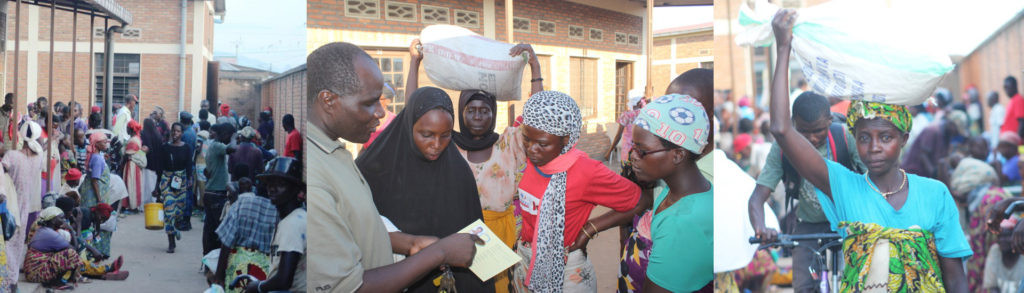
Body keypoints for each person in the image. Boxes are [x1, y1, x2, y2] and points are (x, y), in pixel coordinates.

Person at [769, 10, 970, 291]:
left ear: (904, 138)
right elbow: (781, 129)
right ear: (854, 138)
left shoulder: (935, 195)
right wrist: (783, 48)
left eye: (885, 137)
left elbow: (956, 279)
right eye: (864, 138)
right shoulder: (842, 186)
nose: (874, 148)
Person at [306, 42, 482, 293]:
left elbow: (359, 230)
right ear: (329, 100)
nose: (381, 112)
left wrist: (410, 244)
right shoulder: (314, 175)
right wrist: (440, 252)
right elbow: (347, 287)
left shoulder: (335, 154)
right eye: (369, 102)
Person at [356, 87, 491, 293]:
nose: (436, 145)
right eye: (426, 135)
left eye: (445, 135)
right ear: (409, 126)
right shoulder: (374, 168)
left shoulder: (458, 171)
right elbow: (358, 229)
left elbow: (473, 232)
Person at [511, 91, 642, 292]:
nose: (531, 149)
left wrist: (590, 229)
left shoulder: (586, 171)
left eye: (542, 144)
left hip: (566, 271)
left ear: (566, 139)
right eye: (527, 139)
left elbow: (639, 200)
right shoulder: (531, 161)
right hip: (526, 258)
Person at [748, 91, 864, 291]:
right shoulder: (783, 147)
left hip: (849, 220)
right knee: (803, 285)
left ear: (829, 120)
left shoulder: (845, 137)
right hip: (809, 224)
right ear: (793, 123)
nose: (811, 137)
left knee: (858, 280)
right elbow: (757, 198)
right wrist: (761, 228)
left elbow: (872, 180)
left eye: (818, 130)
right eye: (803, 131)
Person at [625, 94, 713, 292]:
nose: (633, 157)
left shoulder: (682, 222)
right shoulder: (673, 190)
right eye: (633, 147)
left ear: (678, 155)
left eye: (642, 151)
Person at [243, 157, 306, 293]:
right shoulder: (293, 218)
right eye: (269, 183)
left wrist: (258, 287)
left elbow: (284, 280)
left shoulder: (292, 224)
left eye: (280, 184)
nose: (272, 189)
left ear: (296, 189)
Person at [949, 157, 1008, 292]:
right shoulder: (993, 194)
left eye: (959, 192)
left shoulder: (988, 201)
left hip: (991, 271)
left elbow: (982, 247)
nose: (958, 196)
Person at [214, 173, 279, 293]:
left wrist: (218, 277)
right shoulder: (278, 211)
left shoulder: (240, 205)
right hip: (264, 269)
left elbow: (226, 243)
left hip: (238, 267)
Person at [1, 120, 46, 291]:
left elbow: (2, 173)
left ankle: (6, 282)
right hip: (25, 206)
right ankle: (13, 282)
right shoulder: (39, 157)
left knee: (5, 243)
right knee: (18, 243)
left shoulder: (11, 156)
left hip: (8, 204)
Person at [155, 123, 195, 253]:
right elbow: (159, 168)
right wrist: (157, 186)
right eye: (173, 131)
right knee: (169, 210)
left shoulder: (187, 148)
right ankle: (171, 243)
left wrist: (189, 179)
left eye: (178, 131)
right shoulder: (164, 148)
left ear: (181, 133)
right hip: (167, 180)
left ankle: (175, 228)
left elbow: (189, 165)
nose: (175, 133)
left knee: (179, 212)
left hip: (181, 180)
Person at [901, 110, 968, 179]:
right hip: (913, 171)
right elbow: (923, 155)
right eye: (956, 130)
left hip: (922, 174)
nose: (956, 133)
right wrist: (934, 175)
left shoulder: (947, 134)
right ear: (951, 124)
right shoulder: (933, 130)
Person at [203, 123, 236, 255]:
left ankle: (207, 258)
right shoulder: (217, 146)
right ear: (225, 134)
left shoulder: (213, 146)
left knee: (209, 228)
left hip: (211, 192)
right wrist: (234, 137)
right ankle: (214, 259)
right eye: (229, 136)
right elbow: (232, 148)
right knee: (218, 230)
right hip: (216, 194)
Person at [602, 89, 646, 168]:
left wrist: (609, 151)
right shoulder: (644, 114)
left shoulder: (626, 115)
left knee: (626, 173)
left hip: (627, 152)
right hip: (640, 152)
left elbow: (618, 135)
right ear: (640, 102)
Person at [983, 221, 1024, 293]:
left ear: (1016, 237)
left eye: (1007, 235)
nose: (1002, 240)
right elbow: (992, 287)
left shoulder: (1022, 253)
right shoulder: (995, 251)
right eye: (1000, 236)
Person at [79, 132, 111, 209]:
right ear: (96, 144)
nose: (106, 144)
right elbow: (94, 181)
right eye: (104, 142)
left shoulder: (96, 156)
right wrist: (99, 200)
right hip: (93, 196)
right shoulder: (97, 159)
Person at [123, 120, 147, 211]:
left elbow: (127, 154)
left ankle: (131, 206)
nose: (126, 130)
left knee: (131, 184)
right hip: (135, 165)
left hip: (131, 165)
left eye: (127, 128)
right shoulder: (137, 138)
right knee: (135, 184)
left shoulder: (133, 140)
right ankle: (134, 205)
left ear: (131, 129)